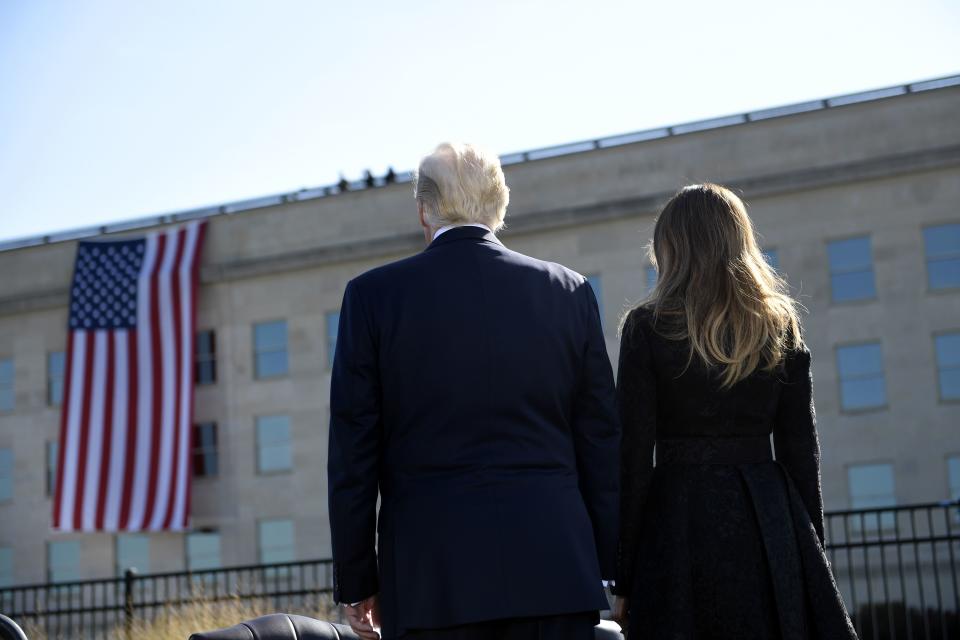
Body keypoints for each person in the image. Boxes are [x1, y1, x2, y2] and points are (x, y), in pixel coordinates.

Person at [328, 143, 620, 640]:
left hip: (430, 578)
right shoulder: (569, 292)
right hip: (555, 569)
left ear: (423, 209)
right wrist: (615, 565)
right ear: (499, 206)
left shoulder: (372, 297)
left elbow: (354, 452)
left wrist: (358, 580)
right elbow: (600, 440)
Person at [611, 183, 857, 639]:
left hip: (678, 520)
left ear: (673, 247)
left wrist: (625, 575)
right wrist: (810, 556)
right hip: (769, 518)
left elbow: (632, 458)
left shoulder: (646, 327)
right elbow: (802, 451)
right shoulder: (778, 322)